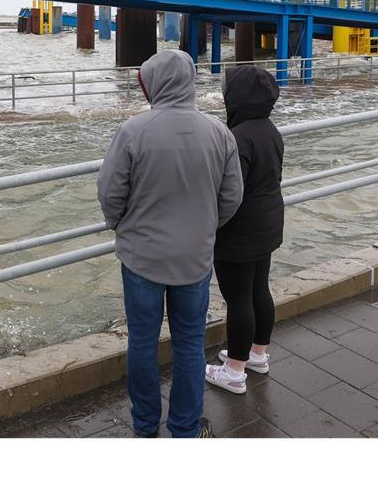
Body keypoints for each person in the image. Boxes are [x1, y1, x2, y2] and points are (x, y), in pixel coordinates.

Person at [98, 49, 243, 438]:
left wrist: (122, 227)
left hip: (142, 258)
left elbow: (110, 194)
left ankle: (145, 426)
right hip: (195, 259)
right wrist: (205, 229)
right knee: (190, 345)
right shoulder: (219, 132)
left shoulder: (133, 131)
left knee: (143, 344)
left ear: (154, 83)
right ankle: (185, 428)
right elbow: (232, 198)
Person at [205, 65, 284, 395]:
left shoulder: (237, 137)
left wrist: (212, 223)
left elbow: (229, 190)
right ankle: (256, 354)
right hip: (267, 222)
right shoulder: (270, 130)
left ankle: (234, 371)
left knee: (238, 297)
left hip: (239, 229)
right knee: (258, 289)